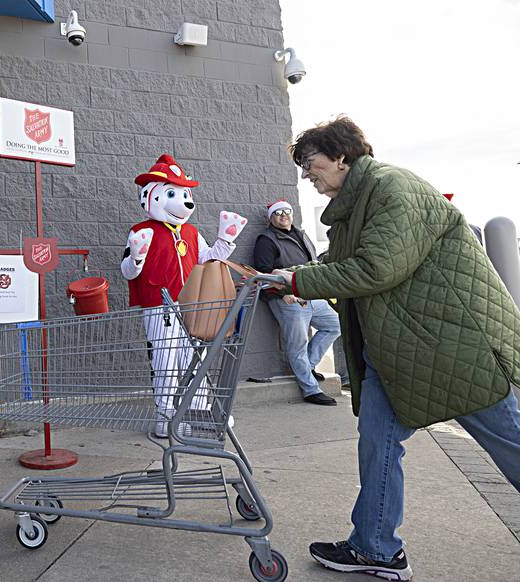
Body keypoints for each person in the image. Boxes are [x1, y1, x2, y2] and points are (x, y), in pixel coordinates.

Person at [270, 116, 520, 580]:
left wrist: (300, 280)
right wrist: (293, 277)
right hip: (400, 350)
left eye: (310, 163)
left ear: (341, 155)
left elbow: (377, 268)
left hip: (451, 346)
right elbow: (345, 261)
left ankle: (374, 544)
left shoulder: (392, 188)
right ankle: (376, 547)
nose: (307, 174)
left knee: (510, 443)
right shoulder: (357, 203)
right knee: (378, 444)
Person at [120, 154, 248, 437]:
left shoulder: (190, 232)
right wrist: (137, 259)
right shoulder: (141, 232)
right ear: (150, 196)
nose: (184, 201)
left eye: (185, 194)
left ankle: (197, 412)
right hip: (160, 309)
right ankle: (166, 417)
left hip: (192, 307)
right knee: (165, 364)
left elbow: (209, 258)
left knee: (194, 361)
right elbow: (127, 271)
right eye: (172, 193)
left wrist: (226, 240)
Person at [253, 200, 340, 405]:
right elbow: (264, 273)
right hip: (287, 299)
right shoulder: (266, 240)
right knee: (298, 343)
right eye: (278, 213)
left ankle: (306, 367)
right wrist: (282, 294)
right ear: (271, 218)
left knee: (334, 325)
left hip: (310, 294)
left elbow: (313, 264)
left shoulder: (300, 234)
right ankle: (310, 390)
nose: (284, 215)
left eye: (287, 211)